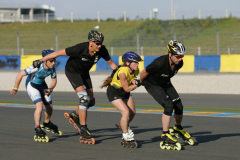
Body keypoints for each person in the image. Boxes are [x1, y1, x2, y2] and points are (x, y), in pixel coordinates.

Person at [32, 30, 118, 141]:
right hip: (72, 71)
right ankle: (83, 128)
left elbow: (111, 64)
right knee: (84, 98)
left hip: (84, 72)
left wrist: (121, 74)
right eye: (97, 43)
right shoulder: (80, 48)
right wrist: (40, 60)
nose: (99, 45)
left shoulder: (102, 50)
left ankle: (76, 115)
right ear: (90, 42)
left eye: (101, 43)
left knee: (91, 101)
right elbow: (57, 53)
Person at [140, 40, 193, 150]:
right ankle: (165, 134)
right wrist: (140, 82)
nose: (180, 59)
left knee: (179, 105)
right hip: (152, 84)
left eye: (182, 56)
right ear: (170, 54)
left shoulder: (180, 64)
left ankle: (177, 128)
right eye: (178, 56)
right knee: (168, 105)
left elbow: (168, 75)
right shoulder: (159, 63)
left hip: (165, 82)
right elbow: (144, 72)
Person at [10, 49, 61, 142]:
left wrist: (50, 89)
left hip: (42, 85)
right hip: (32, 85)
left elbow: (54, 80)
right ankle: (37, 128)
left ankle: (46, 123)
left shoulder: (52, 68)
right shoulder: (37, 66)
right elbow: (20, 74)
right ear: (45, 60)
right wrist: (15, 88)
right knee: (40, 106)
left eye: (54, 61)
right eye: (51, 61)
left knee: (50, 106)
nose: (53, 63)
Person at [101, 51, 142, 148]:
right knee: (126, 113)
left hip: (124, 92)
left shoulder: (136, 70)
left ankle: (124, 126)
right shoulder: (122, 73)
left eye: (138, 62)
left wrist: (135, 81)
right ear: (128, 63)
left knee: (133, 113)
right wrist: (137, 84)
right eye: (135, 62)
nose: (138, 64)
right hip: (114, 92)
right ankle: (125, 135)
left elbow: (131, 79)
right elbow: (127, 88)